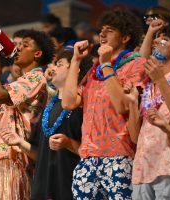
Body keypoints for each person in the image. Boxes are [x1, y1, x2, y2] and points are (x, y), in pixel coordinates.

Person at [62, 8, 147, 199]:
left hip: (119, 156)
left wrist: (107, 64)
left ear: (125, 37)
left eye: (109, 30)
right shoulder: (95, 69)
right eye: (101, 29)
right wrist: (75, 61)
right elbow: (68, 102)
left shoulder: (136, 64)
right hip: (88, 158)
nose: (101, 33)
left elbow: (124, 106)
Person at [0, 29, 55, 200]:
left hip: (10, 161)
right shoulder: (20, 82)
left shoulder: (36, 78)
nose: (18, 49)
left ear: (37, 53)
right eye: (18, 44)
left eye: (25, 46)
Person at [1, 50, 92, 200]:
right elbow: (40, 154)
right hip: (42, 190)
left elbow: (91, 152)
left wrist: (69, 143)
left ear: (76, 68)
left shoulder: (83, 105)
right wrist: (20, 142)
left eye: (59, 64)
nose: (52, 68)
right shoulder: (49, 107)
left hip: (71, 189)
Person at [126, 26, 170, 199]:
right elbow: (135, 138)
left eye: (164, 39)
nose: (156, 41)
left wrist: (160, 79)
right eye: (156, 38)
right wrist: (134, 103)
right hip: (141, 170)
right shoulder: (148, 85)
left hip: (167, 167)